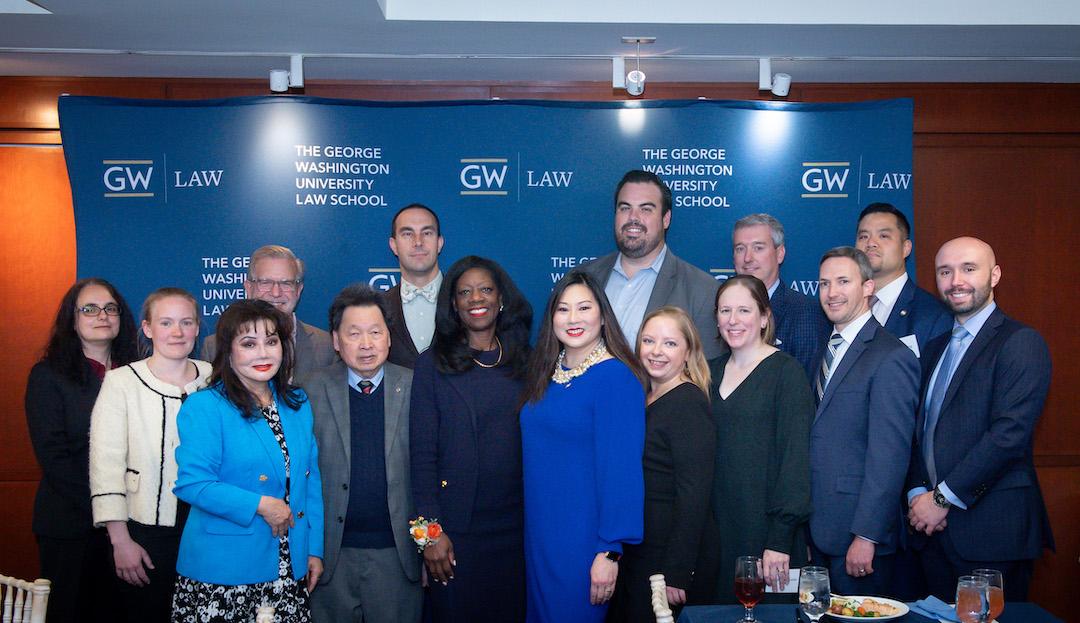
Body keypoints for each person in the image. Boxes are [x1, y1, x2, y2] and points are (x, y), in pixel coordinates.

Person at [906, 237, 1053, 602]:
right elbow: (916, 432)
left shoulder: (1020, 342)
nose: (956, 280)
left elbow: (1008, 436)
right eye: (945, 271)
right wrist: (917, 494)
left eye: (969, 269)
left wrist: (940, 500)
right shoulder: (935, 348)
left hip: (991, 535)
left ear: (995, 274)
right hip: (932, 536)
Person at [170, 299, 323, 621]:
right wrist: (260, 504)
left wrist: (313, 548)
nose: (263, 353)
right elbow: (193, 484)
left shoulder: (297, 403)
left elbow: (310, 481)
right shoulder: (205, 406)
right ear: (228, 350)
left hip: (288, 565)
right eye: (249, 344)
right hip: (223, 572)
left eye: (271, 341)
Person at [410, 256, 533, 622]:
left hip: (518, 531)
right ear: (452, 303)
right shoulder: (430, 365)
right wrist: (427, 536)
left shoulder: (529, 362)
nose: (475, 298)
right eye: (464, 292)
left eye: (485, 289)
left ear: (501, 299)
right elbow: (419, 455)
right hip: (454, 534)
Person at [520, 272, 647, 623]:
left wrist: (609, 551)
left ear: (603, 315)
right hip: (542, 535)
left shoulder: (617, 378)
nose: (573, 319)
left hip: (585, 543)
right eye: (563, 309)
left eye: (583, 308)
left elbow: (621, 472)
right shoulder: (546, 374)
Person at [89, 287, 212, 622]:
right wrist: (120, 541)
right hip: (145, 532)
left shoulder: (215, 379)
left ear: (198, 327)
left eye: (186, 322)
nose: (177, 332)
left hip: (207, 529)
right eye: (167, 322)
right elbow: (105, 466)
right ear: (147, 328)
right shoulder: (121, 383)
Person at [302, 285, 422, 623]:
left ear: (389, 337)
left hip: (397, 557)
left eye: (375, 332)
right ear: (336, 341)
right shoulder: (308, 390)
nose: (366, 344)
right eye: (353, 334)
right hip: (329, 557)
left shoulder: (417, 387)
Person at [25, 278, 139, 623]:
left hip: (135, 526)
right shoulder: (48, 376)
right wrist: (108, 511)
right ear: (71, 319)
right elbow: (54, 458)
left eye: (110, 308)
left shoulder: (140, 374)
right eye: (89, 308)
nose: (101, 315)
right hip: (72, 526)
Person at [809, 248, 919, 596]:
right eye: (824, 283)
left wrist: (867, 535)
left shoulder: (891, 356)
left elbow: (890, 457)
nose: (832, 292)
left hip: (860, 538)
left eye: (843, 281)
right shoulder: (822, 349)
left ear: (868, 287)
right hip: (820, 531)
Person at [700, 275, 813, 603]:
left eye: (744, 310)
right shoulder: (707, 373)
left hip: (767, 540)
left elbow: (795, 460)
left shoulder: (786, 373)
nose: (733, 320)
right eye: (725, 311)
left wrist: (780, 538)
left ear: (764, 317)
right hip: (717, 534)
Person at [608, 306, 714, 623]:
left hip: (667, 559)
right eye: (649, 341)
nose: (656, 351)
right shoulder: (644, 396)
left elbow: (694, 493)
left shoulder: (688, 403)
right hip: (641, 550)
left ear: (688, 352)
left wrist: (678, 569)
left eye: (669, 343)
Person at [575, 170, 722, 358]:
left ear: (666, 219)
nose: (633, 218)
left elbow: (705, 375)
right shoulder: (582, 278)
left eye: (646, 209)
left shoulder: (703, 291)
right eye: (625, 208)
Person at [201, 245, 335, 381]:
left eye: (286, 283)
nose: (276, 292)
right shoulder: (214, 346)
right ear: (248, 288)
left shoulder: (327, 345)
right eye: (265, 282)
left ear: (299, 290)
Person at [732, 213, 830, 381]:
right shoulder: (723, 312)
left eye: (758, 248)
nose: (747, 258)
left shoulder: (806, 313)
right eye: (740, 249)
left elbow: (805, 387)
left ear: (780, 254)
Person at [855, 203, 951, 356]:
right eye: (863, 236)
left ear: (906, 248)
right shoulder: (843, 306)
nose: (870, 243)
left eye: (883, 236)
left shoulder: (934, 315)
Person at [385, 204, 445, 368]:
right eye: (407, 234)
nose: (418, 242)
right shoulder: (378, 307)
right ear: (394, 245)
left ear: (439, 243)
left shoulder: (464, 302)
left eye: (427, 233)